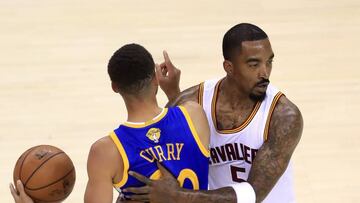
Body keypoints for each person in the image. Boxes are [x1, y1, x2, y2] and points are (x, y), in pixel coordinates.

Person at [9, 44, 211, 203]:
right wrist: (174, 91)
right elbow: (178, 118)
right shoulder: (194, 114)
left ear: (114, 87)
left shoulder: (106, 151)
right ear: (156, 79)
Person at [125, 23, 303, 203]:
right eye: (253, 64)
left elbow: (253, 194)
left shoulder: (283, 116)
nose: (264, 73)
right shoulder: (194, 101)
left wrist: (178, 196)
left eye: (269, 62)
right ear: (229, 67)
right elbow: (161, 155)